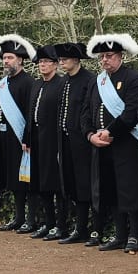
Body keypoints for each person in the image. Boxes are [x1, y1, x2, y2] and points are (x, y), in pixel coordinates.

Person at [85, 33, 138, 251]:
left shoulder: (133, 79)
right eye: (102, 57)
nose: (105, 60)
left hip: (127, 143)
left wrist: (110, 132)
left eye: (109, 56)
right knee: (111, 190)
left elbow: (132, 113)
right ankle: (120, 233)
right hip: (102, 145)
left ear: (120, 56)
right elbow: (86, 113)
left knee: (130, 189)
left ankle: (134, 235)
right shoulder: (98, 82)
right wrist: (91, 135)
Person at [0, 35, 38, 233]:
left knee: (27, 180)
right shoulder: (2, 83)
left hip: (21, 139)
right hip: (5, 138)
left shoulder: (28, 83)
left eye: (10, 58)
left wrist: (27, 137)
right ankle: (18, 217)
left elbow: (30, 113)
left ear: (20, 60)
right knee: (12, 179)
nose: (6, 61)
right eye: (4, 58)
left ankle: (31, 218)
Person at [55, 42, 98, 242]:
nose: (62, 62)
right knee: (71, 184)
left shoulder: (89, 80)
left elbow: (89, 111)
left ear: (76, 60)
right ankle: (77, 227)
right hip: (66, 141)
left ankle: (92, 229)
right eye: (61, 60)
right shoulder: (64, 81)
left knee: (85, 185)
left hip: (83, 141)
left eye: (65, 59)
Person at [25, 46, 65, 237]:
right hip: (37, 141)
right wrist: (27, 137)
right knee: (41, 185)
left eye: (46, 62)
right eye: (40, 62)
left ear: (55, 65)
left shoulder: (61, 84)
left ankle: (61, 224)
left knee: (56, 185)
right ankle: (47, 223)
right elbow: (30, 113)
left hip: (53, 141)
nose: (42, 65)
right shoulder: (36, 85)